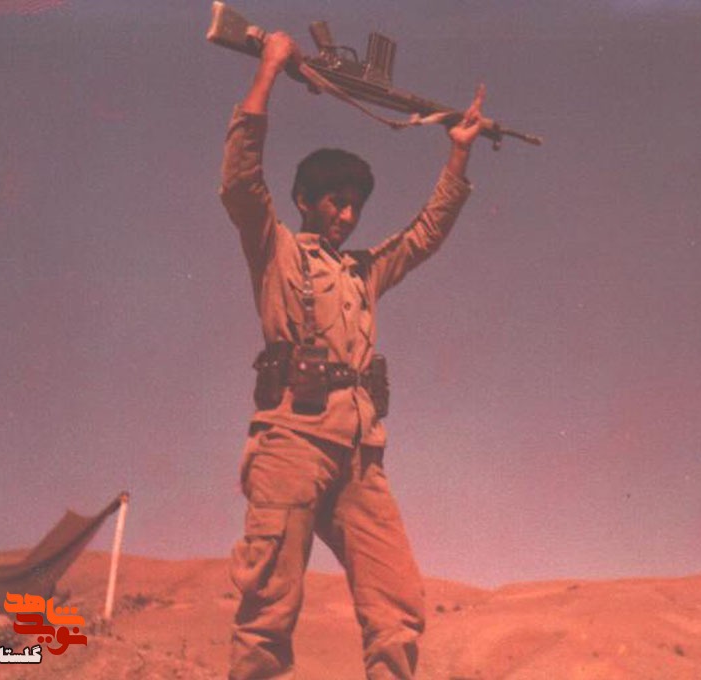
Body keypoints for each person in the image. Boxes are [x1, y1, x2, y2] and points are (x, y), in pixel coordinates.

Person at [219, 31, 484, 680]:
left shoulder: (363, 271)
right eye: (335, 201)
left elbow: (423, 236)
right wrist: (269, 72)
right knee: (268, 604)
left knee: (398, 604)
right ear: (306, 201)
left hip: (361, 455)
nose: (345, 215)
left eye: (354, 206)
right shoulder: (278, 250)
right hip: (291, 441)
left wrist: (457, 154)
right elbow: (241, 184)